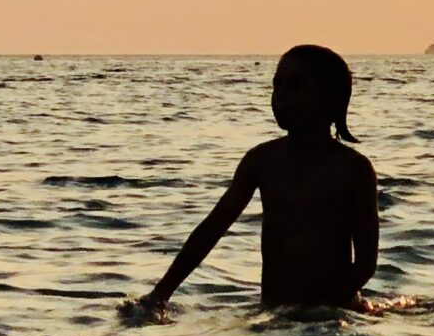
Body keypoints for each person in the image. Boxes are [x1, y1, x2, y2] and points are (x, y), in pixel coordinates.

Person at [135, 46, 380, 314]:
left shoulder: (353, 169)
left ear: (332, 99)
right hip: (275, 311)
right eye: (277, 85)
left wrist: (320, 310)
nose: (281, 95)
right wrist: (160, 294)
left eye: (295, 85)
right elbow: (212, 229)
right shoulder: (262, 161)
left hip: (335, 314)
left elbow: (366, 265)